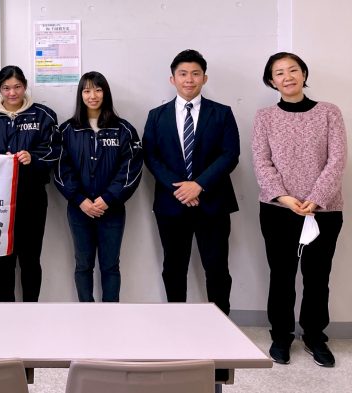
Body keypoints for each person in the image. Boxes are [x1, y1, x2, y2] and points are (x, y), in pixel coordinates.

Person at [252, 52, 346, 367]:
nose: (287, 76)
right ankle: (281, 336)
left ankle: (315, 337)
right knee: (281, 275)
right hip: (279, 210)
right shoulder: (264, 117)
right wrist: (285, 198)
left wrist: (316, 198)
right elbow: (261, 162)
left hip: (325, 210)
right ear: (271, 81)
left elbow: (337, 160)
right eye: (279, 73)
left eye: (293, 70)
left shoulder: (329, 112)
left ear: (304, 74)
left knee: (318, 276)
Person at [142, 49, 239, 314]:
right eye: (183, 74)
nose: (189, 79)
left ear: (204, 79)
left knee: (217, 267)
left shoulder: (222, 113)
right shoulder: (156, 116)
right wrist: (181, 188)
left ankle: (221, 324)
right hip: (171, 205)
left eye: (195, 74)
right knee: (173, 267)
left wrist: (199, 184)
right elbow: (150, 156)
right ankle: (177, 322)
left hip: (213, 203)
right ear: (172, 79)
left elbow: (230, 155)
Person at [54, 72, 143, 302]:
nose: (92, 96)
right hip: (79, 210)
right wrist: (80, 200)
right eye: (86, 90)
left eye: (98, 90)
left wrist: (108, 198)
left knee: (110, 265)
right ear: (80, 95)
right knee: (83, 264)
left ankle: (110, 313)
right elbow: (61, 169)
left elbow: (131, 168)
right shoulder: (67, 130)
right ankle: (86, 311)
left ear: (106, 93)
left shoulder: (123, 130)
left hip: (111, 210)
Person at [0, 65, 59, 302]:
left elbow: (55, 151)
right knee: (3, 256)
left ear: (25, 86)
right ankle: (6, 309)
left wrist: (33, 158)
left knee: (31, 258)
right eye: (6, 88)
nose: (12, 93)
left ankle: (31, 307)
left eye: (17, 87)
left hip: (32, 196)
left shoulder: (44, 115)